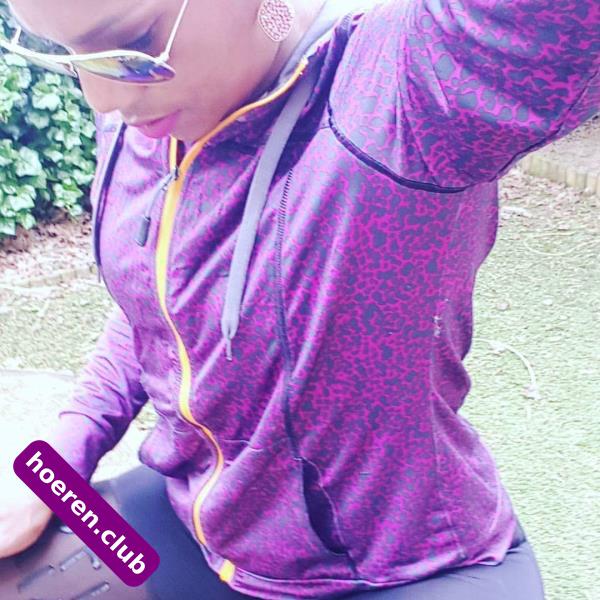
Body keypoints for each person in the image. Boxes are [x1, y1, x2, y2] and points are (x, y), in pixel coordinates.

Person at [0, 0, 597, 597]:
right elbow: (155, 308)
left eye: (132, 44)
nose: (102, 98)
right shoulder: (146, 115)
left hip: (403, 571)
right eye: (69, 54)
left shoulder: (404, 90)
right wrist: (54, 467)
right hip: (198, 533)